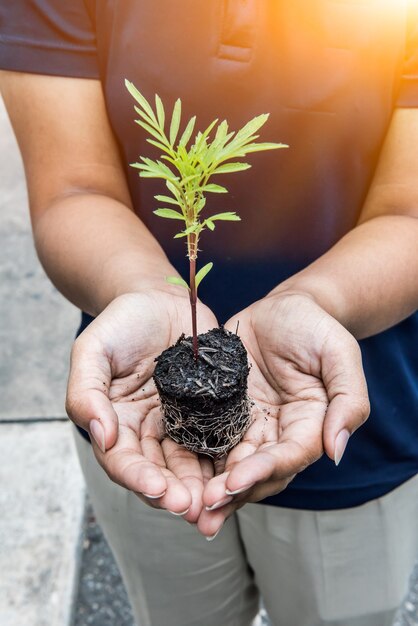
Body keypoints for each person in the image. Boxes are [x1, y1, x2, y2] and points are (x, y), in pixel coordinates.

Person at [1, 1, 418, 624]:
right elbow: (73, 188)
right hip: (138, 398)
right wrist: (147, 288)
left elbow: (408, 210)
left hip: (355, 409)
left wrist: (313, 304)